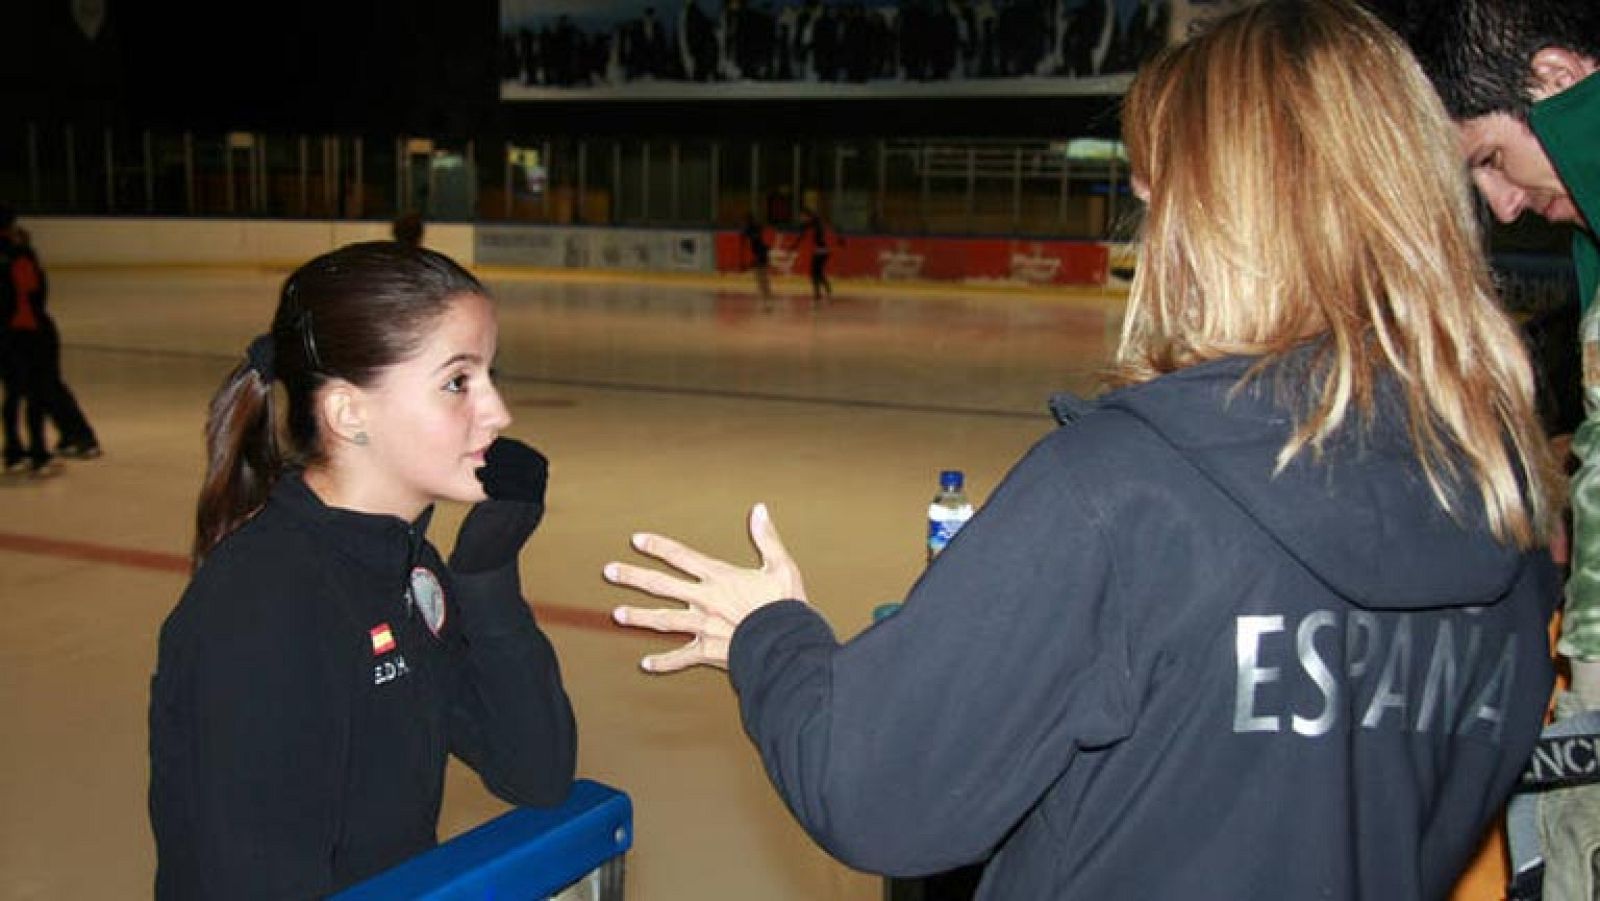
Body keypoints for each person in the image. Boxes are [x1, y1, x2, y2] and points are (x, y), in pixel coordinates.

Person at [606, 2, 1561, 897]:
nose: (1151, 238)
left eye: (1158, 201)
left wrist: (772, 635)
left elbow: (877, 792)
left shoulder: (1125, 492)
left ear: (1225, 216)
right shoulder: (1508, 506)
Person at [148, 242, 577, 898]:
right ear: (350, 412)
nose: (498, 412)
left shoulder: (406, 571)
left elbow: (537, 771)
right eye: (459, 381)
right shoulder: (266, 605)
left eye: (490, 375)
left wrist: (488, 577)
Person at [792, 207, 838, 303]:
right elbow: (802, 236)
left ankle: (819, 294)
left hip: (821, 251)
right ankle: (823, 292)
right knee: (817, 272)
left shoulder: (813, 225)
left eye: (803, 216)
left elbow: (803, 236)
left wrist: (794, 245)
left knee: (815, 273)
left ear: (807, 216)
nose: (801, 218)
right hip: (822, 251)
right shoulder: (814, 224)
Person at [740, 212, 773, 301]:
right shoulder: (757, 227)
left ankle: (766, 296)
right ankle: (767, 295)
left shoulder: (749, 229)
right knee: (762, 276)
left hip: (760, 254)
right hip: (761, 253)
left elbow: (743, 240)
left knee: (761, 276)